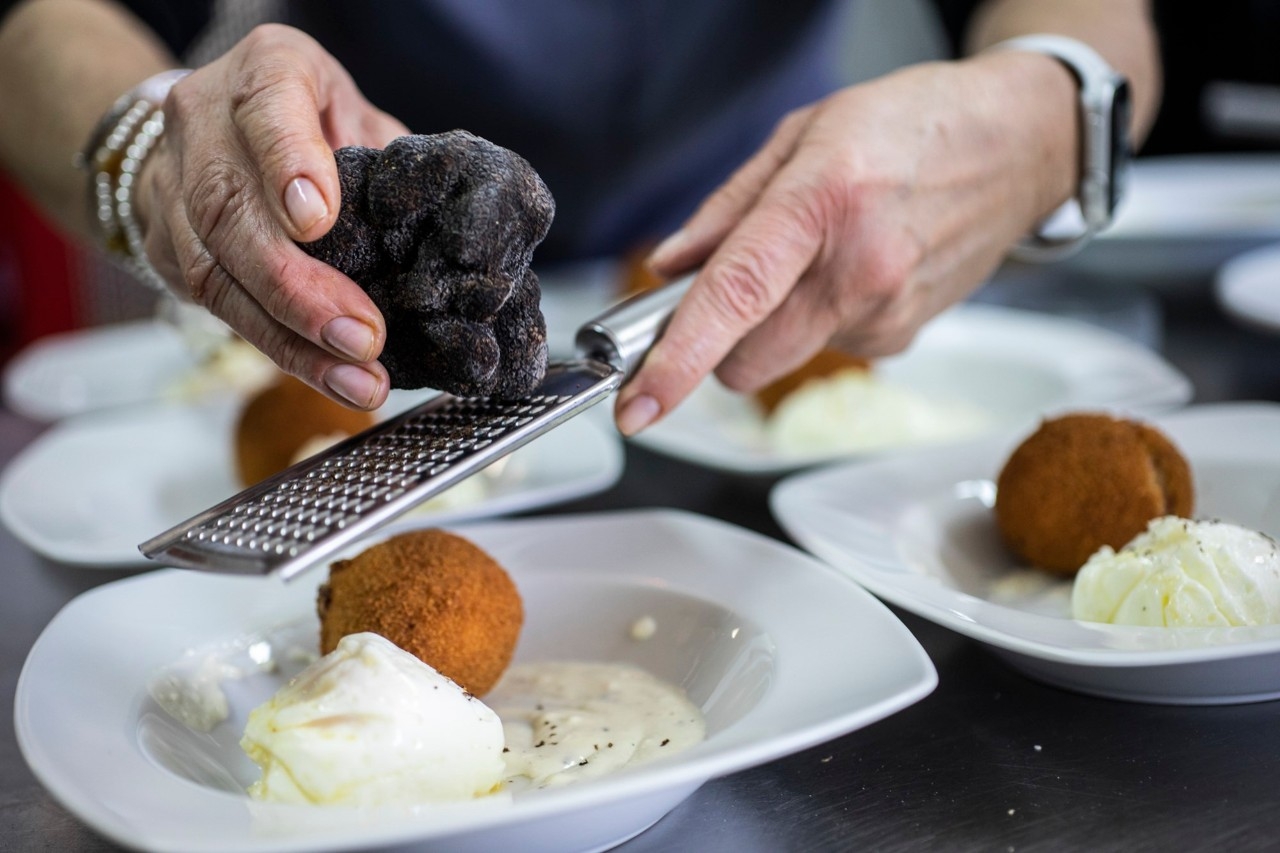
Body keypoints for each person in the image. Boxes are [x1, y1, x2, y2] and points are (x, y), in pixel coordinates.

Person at [0, 0, 1160, 435]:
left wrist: (1037, 114)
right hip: (375, 318)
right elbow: (38, 28)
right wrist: (159, 158)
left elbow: (1096, 21)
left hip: (759, 288)